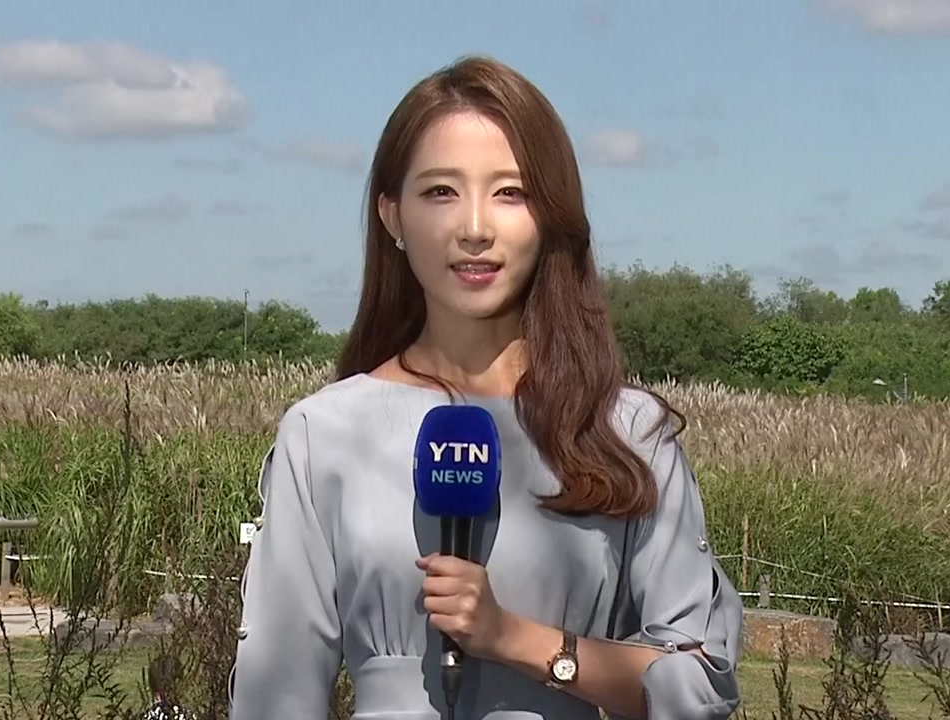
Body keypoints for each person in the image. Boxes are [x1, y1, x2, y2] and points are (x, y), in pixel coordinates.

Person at [229, 55, 742, 720]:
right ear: (392, 215)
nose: (475, 228)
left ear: (551, 216)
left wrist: (517, 640)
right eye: (441, 192)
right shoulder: (324, 433)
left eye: (511, 193)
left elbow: (700, 684)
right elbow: (275, 695)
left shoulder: (626, 431)